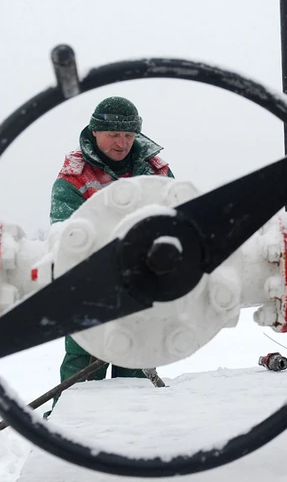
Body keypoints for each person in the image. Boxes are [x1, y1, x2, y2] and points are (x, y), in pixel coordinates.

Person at [47, 96, 173, 411]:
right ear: (95, 132)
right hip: (90, 294)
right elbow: (67, 237)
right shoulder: (74, 179)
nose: (122, 143)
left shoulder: (155, 170)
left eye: (129, 136)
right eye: (114, 135)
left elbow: (179, 217)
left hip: (144, 292)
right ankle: (67, 437)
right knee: (81, 372)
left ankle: (132, 439)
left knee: (136, 376)